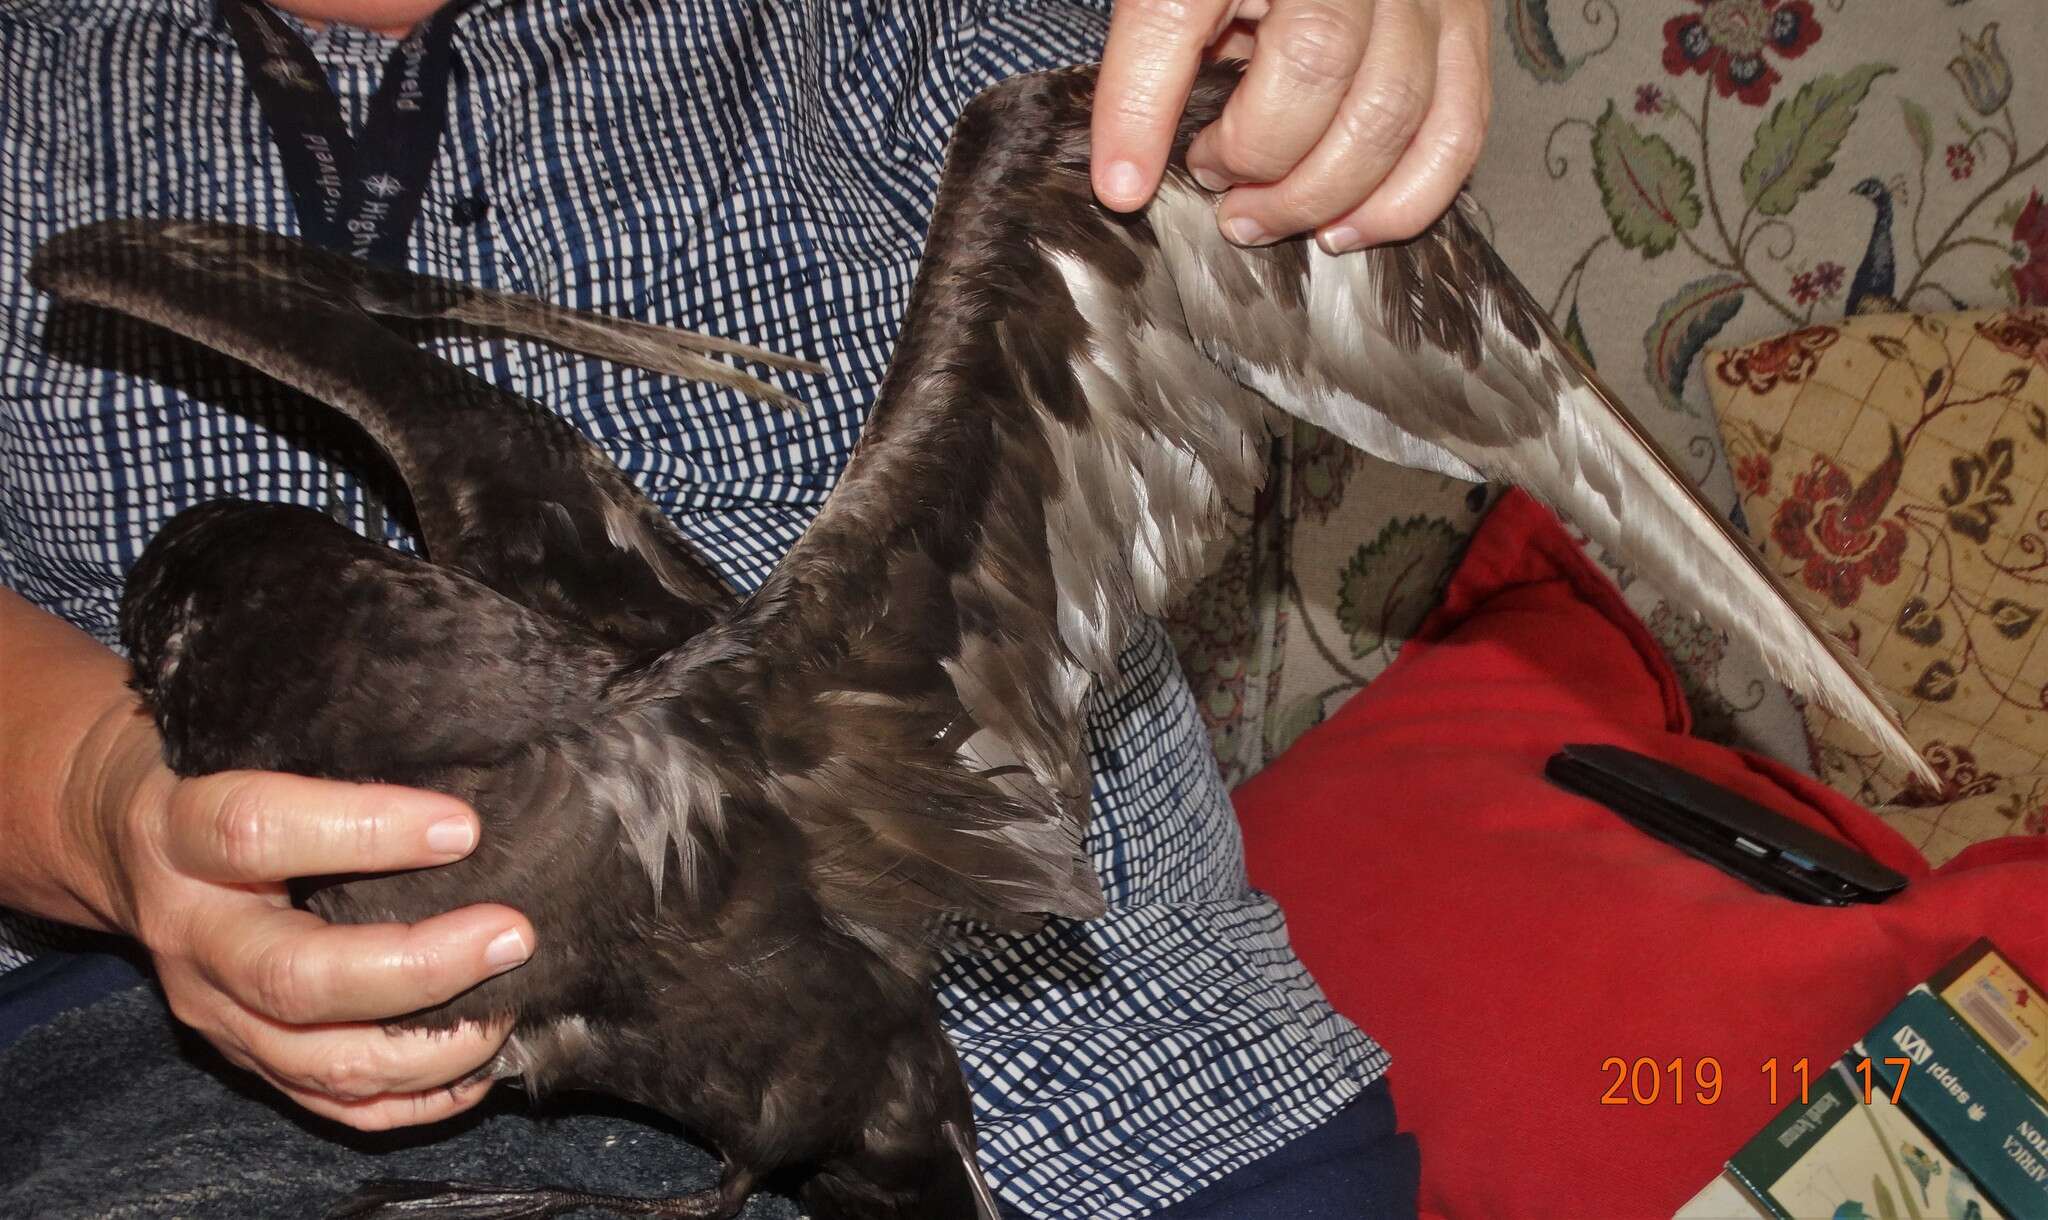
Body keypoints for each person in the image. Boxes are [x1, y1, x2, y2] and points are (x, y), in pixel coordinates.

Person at [0, 0, 1488, 1212]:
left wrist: (1330, 67)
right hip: (223, 1079)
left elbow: (1236, 141)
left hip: (1155, 1074)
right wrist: (96, 791)